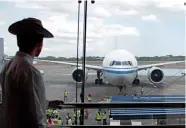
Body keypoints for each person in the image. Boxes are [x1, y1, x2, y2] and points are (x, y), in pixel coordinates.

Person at [0, 18, 64, 128]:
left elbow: (21, 101)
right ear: (40, 43)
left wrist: (47, 103)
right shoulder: (30, 72)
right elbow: (36, 119)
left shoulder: (8, 66)